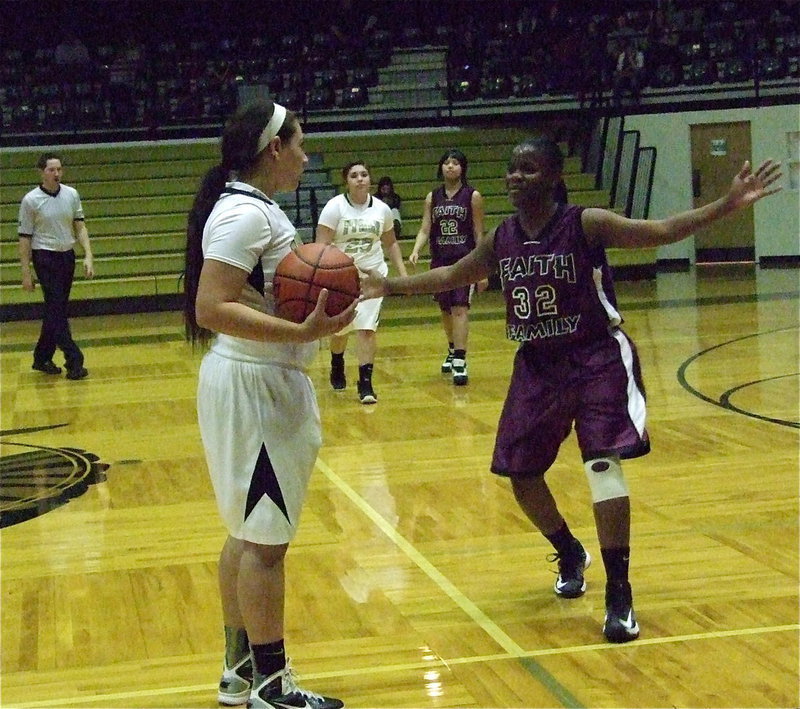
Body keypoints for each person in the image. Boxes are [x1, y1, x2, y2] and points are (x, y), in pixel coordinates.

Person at [363, 136, 782, 643]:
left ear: (555, 177)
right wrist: (389, 286)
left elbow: (660, 232)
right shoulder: (503, 237)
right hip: (538, 364)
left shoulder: (586, 223)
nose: (516, 176)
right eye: (513, 169)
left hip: (595, 357)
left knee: (602, 464)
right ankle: (567, 549)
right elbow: (452, 273)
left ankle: (619, 593)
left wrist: (727, 204)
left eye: (529, 169)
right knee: (519, 473)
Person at [183, 99, 354, 709]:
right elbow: (211, 308)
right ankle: (273, 686)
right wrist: (303, 334)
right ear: (273, 148)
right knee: (265, 545)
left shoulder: (249, 209)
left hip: (253, 380)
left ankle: (237, 670)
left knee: (245, 533)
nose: (307, 155)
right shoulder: (245, 216)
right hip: (255, 386)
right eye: (300, 143)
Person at [316, 161, 408, 404]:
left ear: (370, 179)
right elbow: (321, 246)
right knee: (340, 330)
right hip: (342, 276)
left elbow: (391, 243)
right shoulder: (334, 207)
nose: (360, 179)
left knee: (367, 328)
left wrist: (403, 275)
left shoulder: (382, 209)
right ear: (346, 180)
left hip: (373, 277)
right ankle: (337, 363)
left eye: (364, 174)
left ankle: (365, 384)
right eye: (354, 175)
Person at [408, 149, 486, 385]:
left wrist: (482, 266)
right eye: (446, 163)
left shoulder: (473, 196)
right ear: (441, 167)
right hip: (439, 261)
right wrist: (415, 249)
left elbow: (478, 231)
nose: (450, 166)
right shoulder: (432, 197)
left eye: (455, 163)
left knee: (460, 308)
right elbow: (425, 228)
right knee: (445, 311)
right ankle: (452, 349)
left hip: (465, 262)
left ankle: (461, 360)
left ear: (463, 168)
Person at [18, 152, 94, 380]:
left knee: (56, 310)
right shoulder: (30, 200)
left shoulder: (71, 195)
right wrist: (26, 271)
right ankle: (74, 359)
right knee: (57, 308)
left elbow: (80, 227)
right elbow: (24, 238)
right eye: (51, 170)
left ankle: (41, 357)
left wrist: (88, 255)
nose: (57, 174)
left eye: (59, 169)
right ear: (42, 172)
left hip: (66, 257)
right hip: (45, 258)